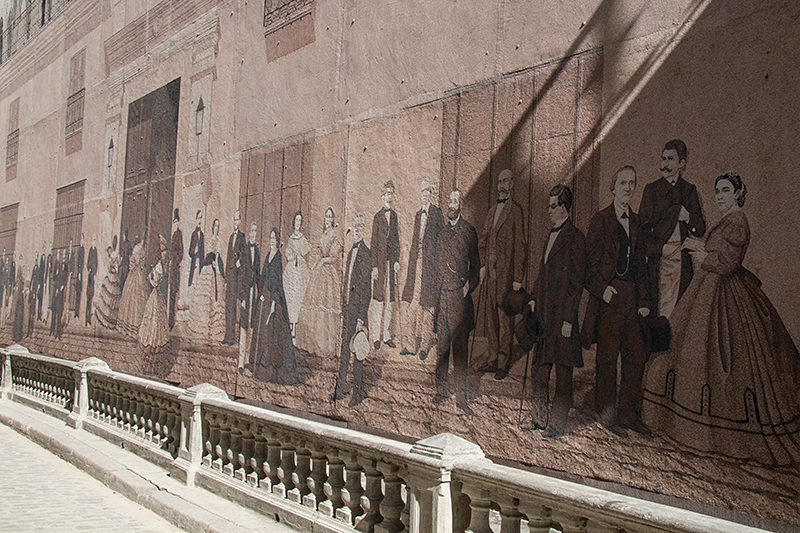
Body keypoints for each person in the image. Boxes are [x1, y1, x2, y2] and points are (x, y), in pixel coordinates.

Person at [643, 172, 800, 465]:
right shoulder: (728, 220)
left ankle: (720, 432)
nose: (719, 196)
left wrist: (700, 249)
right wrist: (700, 246)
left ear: (738, 194)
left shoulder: (737, 221)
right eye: (717, 191)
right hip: (709, 288)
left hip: (726, 293)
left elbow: (727, 263)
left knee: (723, 357)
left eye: (726, 191)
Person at [582, 166, 651, 437]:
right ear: (613, 187)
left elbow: (643, 268)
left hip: (632, 299)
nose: (628, 188)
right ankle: (607, 416)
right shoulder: (601, 220)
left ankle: (628, 416)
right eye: (623, 183)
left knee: (635, 358)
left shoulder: (636, 223)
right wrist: (604, 290)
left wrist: (644, 300)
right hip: (610, 299)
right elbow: (589, 268)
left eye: (632, 184)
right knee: (608, 359)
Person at [528, 185, 586, 439]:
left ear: (563, 207)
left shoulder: (575, 238)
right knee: (539, 370)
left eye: (553, 206)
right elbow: (543, 274)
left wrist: (568, 319)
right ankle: (539, 419)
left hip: (562, 319)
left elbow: (577, 282)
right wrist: (533, 299)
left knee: (563, 375)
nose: (549, 211)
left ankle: (557, 425)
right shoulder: (548, 236)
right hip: (544, 317)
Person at [639, 140, 705, 318]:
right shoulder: (651, 190)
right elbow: (642, 232)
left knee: (681, 311)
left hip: (682, 261)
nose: (664, 164)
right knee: (658, 311)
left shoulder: (689, 190)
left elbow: (700, 230)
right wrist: (660, 249)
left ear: (682, 164)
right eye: (663, 158)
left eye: (670, 159)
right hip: (659, 261)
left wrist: (688, 217)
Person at [477, 169, 527, 380]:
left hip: (506, 275)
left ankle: (504, 362)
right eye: (500, 181)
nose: (502, 185)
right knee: (490, 317)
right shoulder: (490, 211)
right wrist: (482, 265)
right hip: (490, 275)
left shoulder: (516, 211)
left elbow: (520, 246)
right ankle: (492, 358)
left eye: (506, 181)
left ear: (512, 184)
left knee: (504, 318)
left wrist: (517, 278)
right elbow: (484, 240)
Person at [433, 190, 480, 415]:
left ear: (460, 204)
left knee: (460, 352)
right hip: (442, 298)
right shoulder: (441, 234)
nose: (450, 205)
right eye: (449, 201)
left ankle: (462, 399)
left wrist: (466, 288)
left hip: (458, 300)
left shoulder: (469, 231)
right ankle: (440, 389)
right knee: (442, 348)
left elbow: (476, 269)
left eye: (454, 201)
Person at [400, 179, 445, 360]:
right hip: (416, 266)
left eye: (427, 191)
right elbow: (414, 242)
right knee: (411, 305)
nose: (424, 194)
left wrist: (438, 266)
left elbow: (441, 241)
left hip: (430, 267)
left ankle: (425, 346)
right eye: (422, 191)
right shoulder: (418, 214)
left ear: (431, 193)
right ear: (419, 194)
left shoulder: (437, 214)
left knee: (428, 307)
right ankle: (410, 345)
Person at [333, 214, 372, 406]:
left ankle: (356, 395)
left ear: (363, 229)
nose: (356, 229)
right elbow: (347, 282)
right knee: (344, 352)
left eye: (360, 226)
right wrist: (343, 307)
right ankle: (339, 390)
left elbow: (366, 290)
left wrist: (361, 318)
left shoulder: (367, 253)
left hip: (358, 314)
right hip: (348, 310)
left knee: (358, 354)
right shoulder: (350, 253)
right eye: (354, 226)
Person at [251, 227, 298, 385]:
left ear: (278, 242)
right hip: (264, 298)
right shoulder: (267, 256)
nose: (272, 241)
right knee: (262, 332)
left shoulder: (277, 258)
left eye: (274, 239)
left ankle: (272, 371)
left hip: (274, 300)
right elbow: (263, 277)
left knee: (274, 333)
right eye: (270, 238)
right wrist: (262, 294)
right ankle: (258, 368)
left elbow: (277, 283)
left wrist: (273, 304)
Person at [295, 207, 343, 356]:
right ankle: (314, 344)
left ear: (333, 220)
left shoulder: (334, 236)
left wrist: (322, 261)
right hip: (319, 273)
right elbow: (318, 255)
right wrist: (315, 265)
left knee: (326, 305)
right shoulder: (322, 236)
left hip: (329, 273)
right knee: (314, 303)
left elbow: (334, 258)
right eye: (326, 217)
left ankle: (326, 347)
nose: (327, 219)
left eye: (330, 217)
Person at [370, 180, 400, 349]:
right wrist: (374, 266)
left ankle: (386, 334)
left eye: (392, 193)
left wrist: (396, 261)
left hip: (390, 264)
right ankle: (375, 336)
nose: (390, 196)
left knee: (390, 301)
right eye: (387, 193)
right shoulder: (377, 217)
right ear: (382, 196)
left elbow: (396, 242)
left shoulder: (395, 217)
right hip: (380, 265)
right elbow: (374, 243)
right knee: (378, 300)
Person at [188, 218, 226, 341]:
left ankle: (211, 327)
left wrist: (216, 264)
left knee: (213, 298)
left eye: (218, 226)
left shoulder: (219, 241)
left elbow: (218, 255)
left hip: (213, 268)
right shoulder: (210, 239)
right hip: (206, 268)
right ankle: (202, 326)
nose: (216, 228)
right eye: (215, 225)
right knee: (202, 296)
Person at [139, 235, 170, 352]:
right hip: (157, 294)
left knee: (156, 317)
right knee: (155, 316)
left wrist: (151, 277)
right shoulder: (160, 266)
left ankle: (155, 338)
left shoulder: (159, 267)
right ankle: (155, 338)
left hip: (156, 293)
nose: (163, 255)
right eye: (162, 252)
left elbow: (154, 282)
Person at [284, 212, 311, 338]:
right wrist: (292, 256)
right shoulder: (290, 238)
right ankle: (290, 328)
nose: (298, 223)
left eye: (300, 221)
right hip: (291, 270)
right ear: (293, 222)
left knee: (299, 297)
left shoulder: (302, 238)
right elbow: (287, 253)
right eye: (296, 220)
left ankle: (297, 330)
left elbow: (307, 249)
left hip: (300, 270)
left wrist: (299, 255)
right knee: (291, 297)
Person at [238, 223, 260, 373]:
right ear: (248, 233)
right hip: (246, 292)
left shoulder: (257, 251)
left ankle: (247, 361)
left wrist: (260, 292)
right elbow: (242, 276)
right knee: (243, 327)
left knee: (251, 327)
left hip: (254, 292)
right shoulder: (245, 251)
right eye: (251, 231)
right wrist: (243, 297)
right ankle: (240, 362)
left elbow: (257, 273)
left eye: (255, 231)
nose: (253, 234)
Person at [117, 239, 149, 339]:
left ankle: (131, 327)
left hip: (135, 275)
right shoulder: (142, 250)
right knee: (137, 300)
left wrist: (134, 265)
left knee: (133, 300)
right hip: (140, 275)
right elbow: (140, 264)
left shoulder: (137, 251)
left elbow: (132, 265)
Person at [222, 211, 244, 344]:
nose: (235, 222)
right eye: (234, 220)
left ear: (239, 221)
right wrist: (225, 278)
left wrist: (239, 261)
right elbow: (228, 256)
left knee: (233, 306)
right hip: (229, 275)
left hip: (236, 275)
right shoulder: (231, 237)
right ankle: (227, 335)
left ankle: (232, 337)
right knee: (228, 306)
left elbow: (243, 254)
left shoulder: (242, 237)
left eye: (237, 220)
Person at [96, 237, 122, 330]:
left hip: (111, 275)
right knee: (112, 298)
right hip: (114, 276)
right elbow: (117, 264)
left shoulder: (112, 255)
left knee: (109, 297)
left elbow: (110, 265)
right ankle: (111, 319)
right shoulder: (117, 255)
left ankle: (107, 319)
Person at [168, 210, 183, 331]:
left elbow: (180, 252)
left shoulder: (179, 235)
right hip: (171, 268)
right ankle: (169, 320)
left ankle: (172, 321)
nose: (175, 224)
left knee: (173, 294)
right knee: (170, 295)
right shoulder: (173, 235)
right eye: (174, 222)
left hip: (175, 268)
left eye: (177, 222)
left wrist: (175, 261)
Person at [187, 210, 204, 287]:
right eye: (198, 218)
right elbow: (190, 252)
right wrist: (194, 251)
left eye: (201, 218)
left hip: (199, 262)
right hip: (194, 262)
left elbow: (202, 251)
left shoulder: (202, 235)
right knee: (192, 283)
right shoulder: (194, 234)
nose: (199, 220)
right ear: (196, 219)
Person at [85, 235, 98, 326]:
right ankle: (86, 318)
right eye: (93, 240)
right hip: (90, 275)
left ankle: (89, 318)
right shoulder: (90, 250)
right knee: (88, 298)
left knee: (91, 296)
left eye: (94, 240)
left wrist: (95, 272)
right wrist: (89, 269)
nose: (94, 242)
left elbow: (96, 262)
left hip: (93, 275)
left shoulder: (95, 250)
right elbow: (88, 262)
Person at [73, 234, 85, 319]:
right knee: (76, 292)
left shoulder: (83, 249)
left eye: (82, 239)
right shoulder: (79, 249)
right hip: (78, 274)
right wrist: (78, 273)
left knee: (79, 293)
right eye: (81, 239)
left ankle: (77, 311)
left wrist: (80, 273)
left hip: (80, 274)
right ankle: (75, 311)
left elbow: (82, 262)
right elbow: (78, 262)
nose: (81, 241)